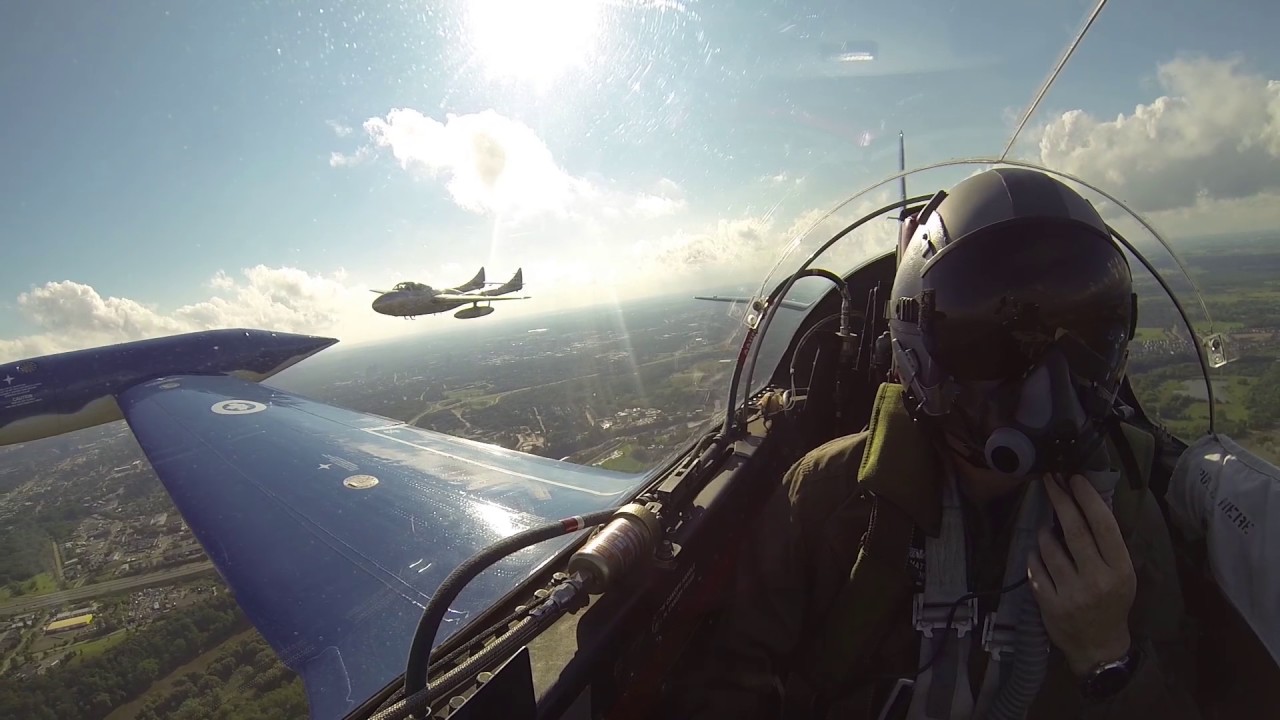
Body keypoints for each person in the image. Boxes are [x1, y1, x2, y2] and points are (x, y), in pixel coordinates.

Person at [681, 167, 1200, 719]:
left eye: (1085, 341)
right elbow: (735, 688)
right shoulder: (826, 497)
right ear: (917, 350)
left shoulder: (1125, 503)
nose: (1048, 387)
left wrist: (1108, 658)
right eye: (994, 346)